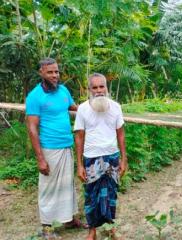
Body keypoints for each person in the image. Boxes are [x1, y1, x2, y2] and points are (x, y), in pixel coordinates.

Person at [26, 58, 86, 237]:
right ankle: (46, 227)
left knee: (68, 185)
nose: (54, 75)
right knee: (48, 188)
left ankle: (69, 219)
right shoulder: (35, 96)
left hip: (66, 145)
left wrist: (94, 107)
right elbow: (31, 127)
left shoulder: (63, 90)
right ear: (41, 73)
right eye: (50, 72)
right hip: (49, 149)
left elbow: (75, 108)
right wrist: (40, 158)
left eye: (56, 72)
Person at [74, 73, 127, 240]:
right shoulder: (83, 109)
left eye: (101, 86)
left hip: (112, 157)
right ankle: (92, 231)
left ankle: (110, 228)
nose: (99, 91)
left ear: (106, 88)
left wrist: (124, 159)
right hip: (91, 159)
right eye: (94, 87)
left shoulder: (116, 107)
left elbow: (121, 134)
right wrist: (80, 165)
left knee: (111, 195)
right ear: (89, 90)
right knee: (91, 196)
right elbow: (79, 137)